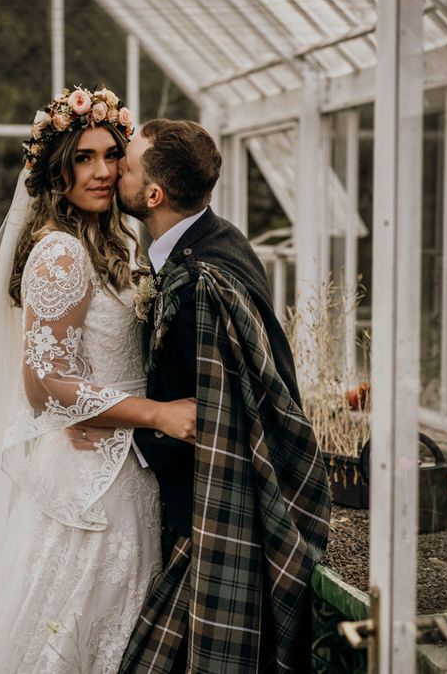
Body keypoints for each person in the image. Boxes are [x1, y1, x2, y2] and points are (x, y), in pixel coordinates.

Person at [0, 87, 196, 674]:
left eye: (110, 155)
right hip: (92, 480)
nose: (101, 171)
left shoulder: (115, 241)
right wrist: (158, 413)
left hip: (125, 462)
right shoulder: (61, 252)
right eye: (83, 158)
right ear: (57, 169)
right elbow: (44, 380)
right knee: (68, 626)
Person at [115, 119, 332, 673]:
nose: (116, 169)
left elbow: (215, 417)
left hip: (205, 513)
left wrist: (124, 441)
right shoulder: (220, 237)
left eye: (128, 165)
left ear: (154, 194)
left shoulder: (200, 287)